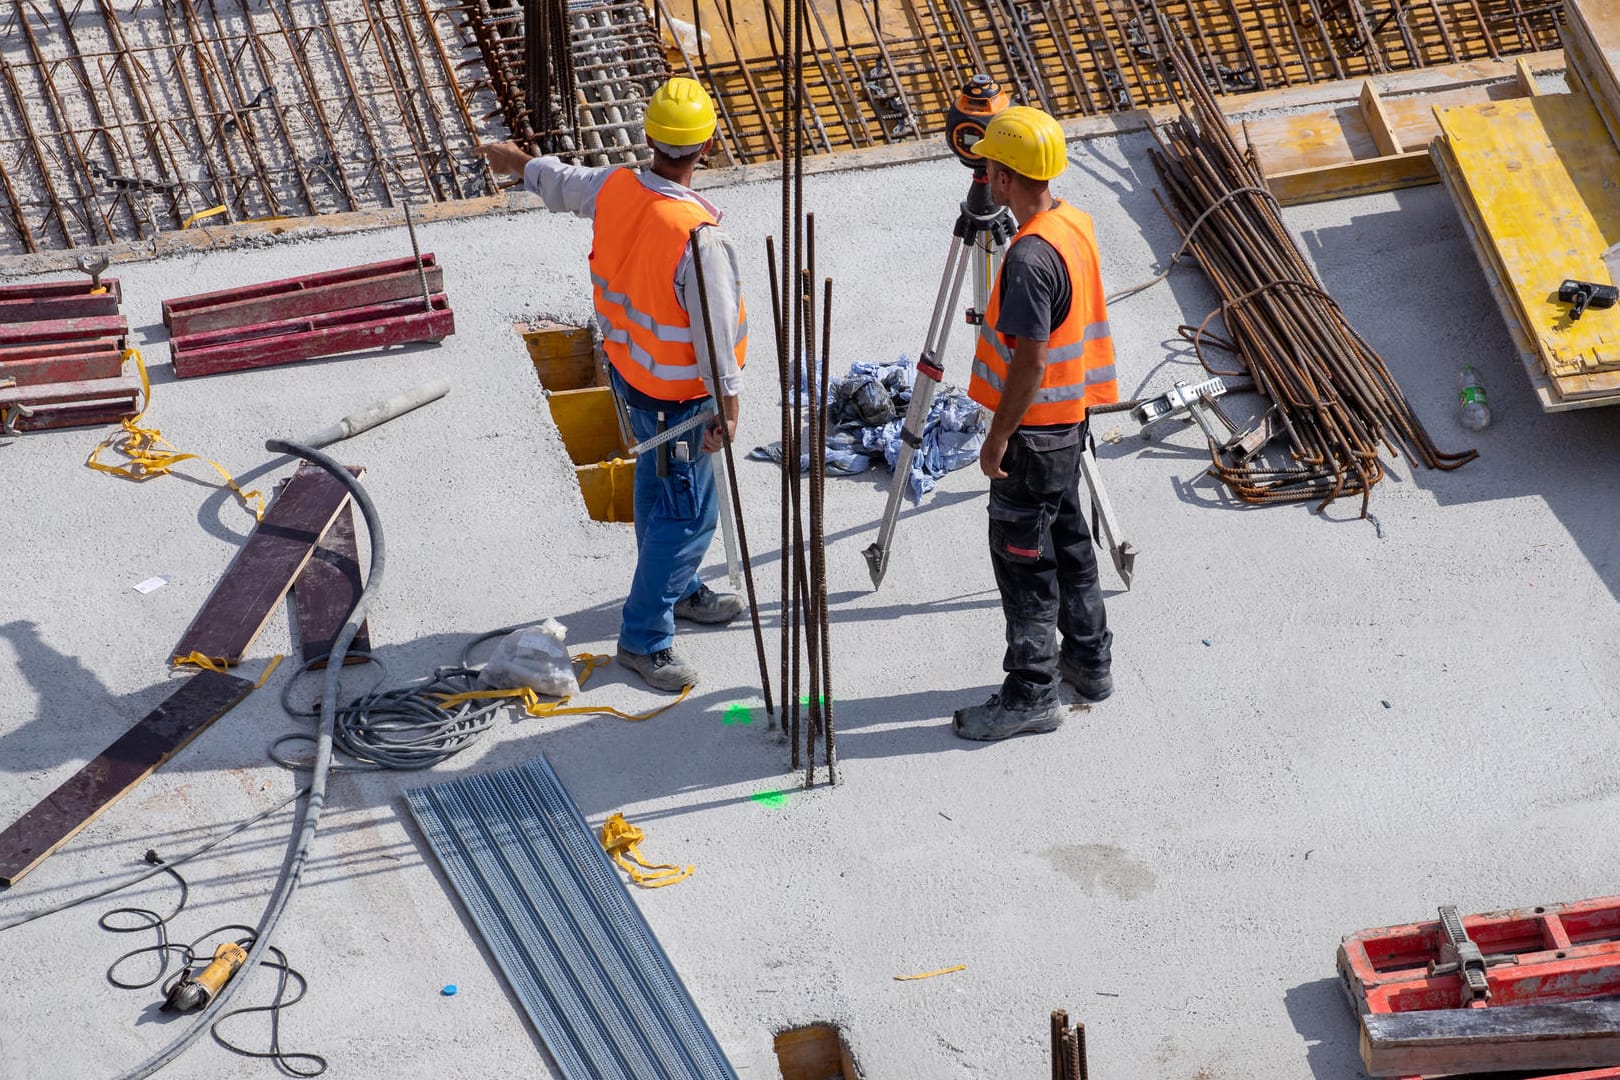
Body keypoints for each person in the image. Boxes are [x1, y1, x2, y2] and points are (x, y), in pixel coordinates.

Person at [474, 77, 747, 693]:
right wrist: (727, 408)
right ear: (706, 146)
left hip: (633, 380)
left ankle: (677, 587)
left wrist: (515, 161)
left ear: (651, 138)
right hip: (680, 398)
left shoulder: (618, 187)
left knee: (657, 493)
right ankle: (645, 639)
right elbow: (715, 335)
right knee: (689, 516)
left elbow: (562, 181)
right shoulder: (700, 237)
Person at [951, 105, 1119, 742]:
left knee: (1023, 563)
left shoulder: (1025, 260)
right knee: (1071, 542)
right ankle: (1089, 660)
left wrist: (997, 437)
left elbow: (1029, 360)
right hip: (1069, 424)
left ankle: (1032, 693)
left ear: (999, 175)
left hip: (1032, 434)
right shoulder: (1073, 222)